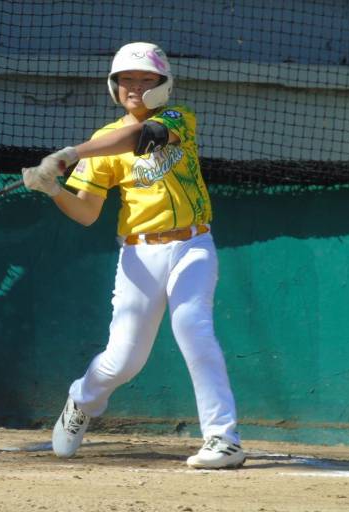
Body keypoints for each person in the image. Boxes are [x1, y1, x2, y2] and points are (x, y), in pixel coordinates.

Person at [21, 42, 245, 469]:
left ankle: (223, 438)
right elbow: (86, 213)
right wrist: (53, 188)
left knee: (192, 325)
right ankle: (82, 399)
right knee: (124, 359)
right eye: (126, 79)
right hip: (140, 256)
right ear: (114, 85)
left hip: (193, 244)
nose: (135, 87)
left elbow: (142, 137)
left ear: (164, 84)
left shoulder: (178, 119)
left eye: (146, 80)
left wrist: (71, 153)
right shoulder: (102, 145)